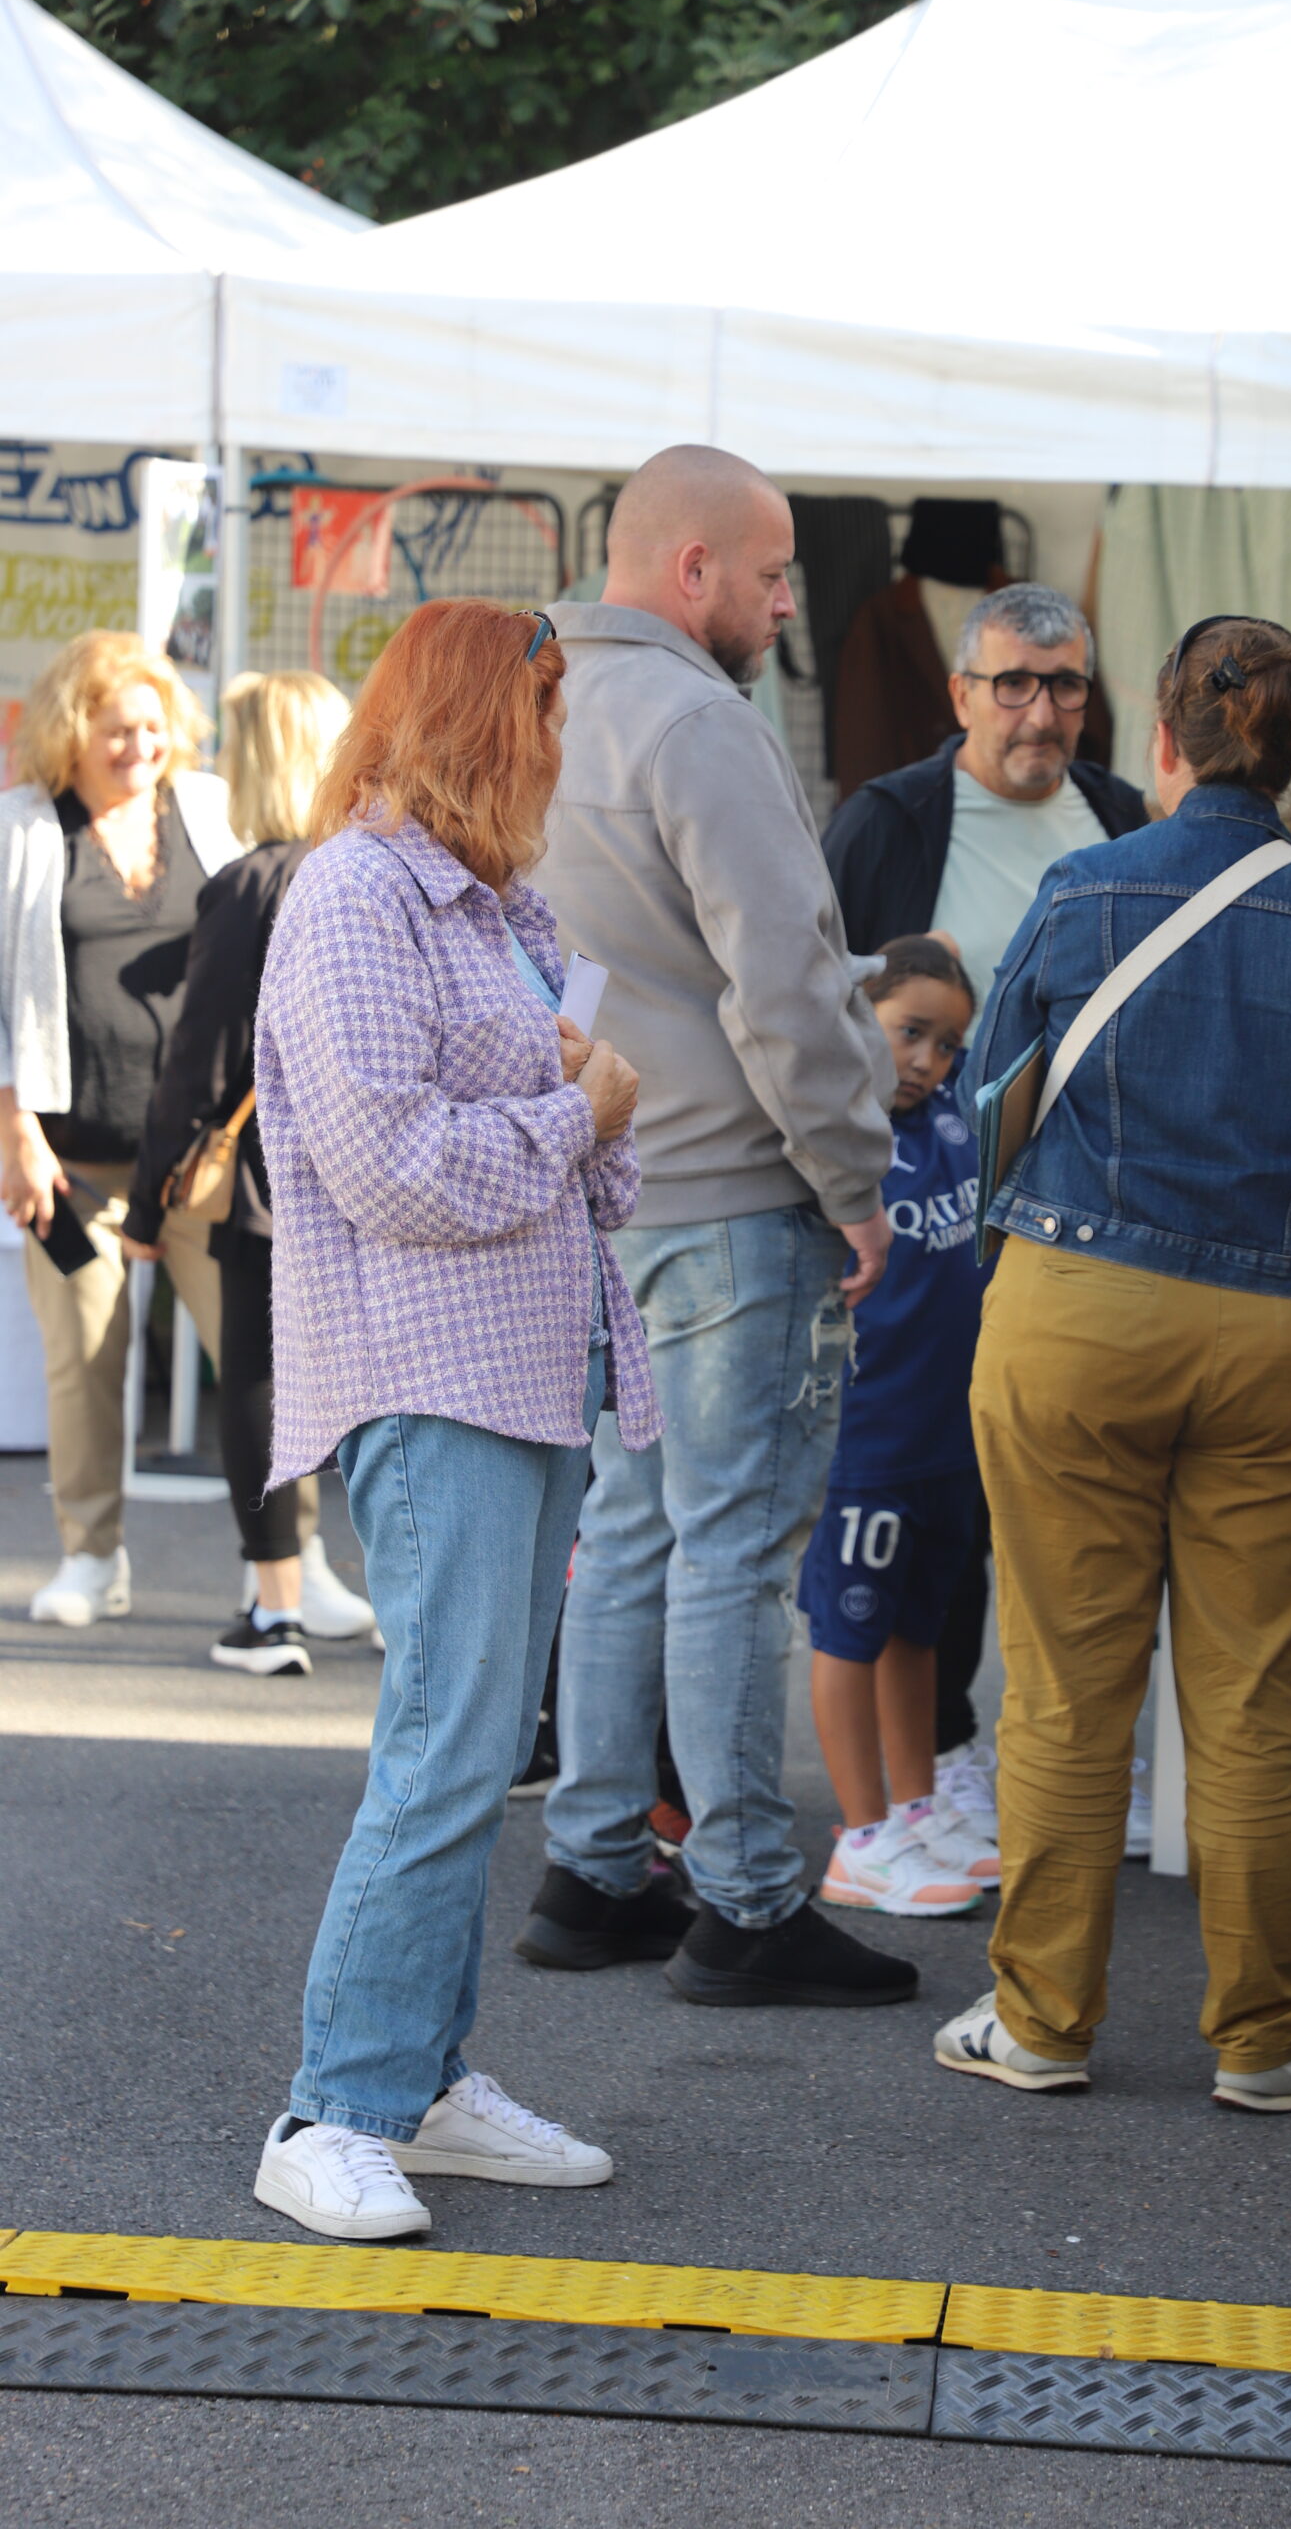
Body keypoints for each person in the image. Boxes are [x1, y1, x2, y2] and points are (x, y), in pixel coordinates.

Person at [933, 614, 1291, 2110]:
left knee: (1064, 1685)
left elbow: (991, 1108)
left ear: (1161, 738)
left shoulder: (1079, 889)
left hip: (1075, 1313)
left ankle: (1040, 2023)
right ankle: (1266, 2039)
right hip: (1288, 1330)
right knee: (1255, 1697)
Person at [250, 599, 657, 2242]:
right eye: (546, 708)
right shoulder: (359, 893)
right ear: (490, 718)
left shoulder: (493, 904)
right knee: (445, 1751)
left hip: (516, 1371)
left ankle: (411, 2083)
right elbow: (391, 1168)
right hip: (433, 1377)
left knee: (473, 1751)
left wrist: (589, 1112)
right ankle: (334, 2109)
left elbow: (588, 1159)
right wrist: (578, 1108)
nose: (562, 741)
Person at [516, 443, 915, 2009]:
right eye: (768, 573)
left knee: (628, 1532)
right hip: (732, 1194)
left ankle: (595, 1865)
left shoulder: (541, 700)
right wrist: (855, 1180)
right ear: (692, 572)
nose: (784, 601)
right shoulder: (699, 720)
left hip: (603, 1180)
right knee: (733, 1551)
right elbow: (786, 981)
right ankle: (746, 1898)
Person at [823, 583, 1150, 1850]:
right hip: (924, 1224)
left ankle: (1057, 1747)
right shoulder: (892, 820)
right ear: (961, 694)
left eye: (1063, 684)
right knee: (936, 1488)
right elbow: (816, 1004)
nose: (1039, 711)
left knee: (1077, 1495)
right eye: (1012, 682)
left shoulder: (1122, 819)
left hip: (1089, 1217)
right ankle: (945, 1753)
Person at [123, 670, 372, 1674]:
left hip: (274, 1183)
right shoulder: (376, 871)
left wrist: (147, 1206)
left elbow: (200, 1062)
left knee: (258, 1381)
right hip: (379, 1170)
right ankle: (389, 1598)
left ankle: (275, 1613)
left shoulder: (255, 883)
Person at [0, 629, 240, 1627]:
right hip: (72, 1160)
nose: (139, 746)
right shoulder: (24, 827)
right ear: (71, 731)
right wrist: (15, 1130)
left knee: (256, 1358)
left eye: (152, 726)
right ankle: (91, 1557)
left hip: (201, 1158)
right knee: (83, 1364)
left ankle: (287, 1564)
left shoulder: (207, 809)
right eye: (116, 729)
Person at [803, 936, 998, 1918]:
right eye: (909, 1032)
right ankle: (861, 1837)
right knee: (851, 1630)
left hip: (946, 1439)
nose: (927, 1060)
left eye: (947, 1044)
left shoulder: (956, 1118)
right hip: (867, 1441)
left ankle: (915, 1810)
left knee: (917, 1630)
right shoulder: (838, 1143)